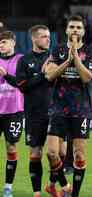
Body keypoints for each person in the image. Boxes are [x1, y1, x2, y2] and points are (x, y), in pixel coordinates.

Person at [44, 15, 92, 197]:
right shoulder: (57, 50)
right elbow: (50, 76)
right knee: (51, 153)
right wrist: (67, 61)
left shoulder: (90, 52)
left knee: (79, 155)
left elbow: (86, 77)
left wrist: (76, 58)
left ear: (83, 31)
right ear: (67, 30)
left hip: (81, 109)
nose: (75, 30)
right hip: (58, 107)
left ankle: (73, 194)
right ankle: (65, 186)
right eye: (72, 27)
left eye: (78, 28)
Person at [15, 25, 64, 197]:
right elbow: (22, 86)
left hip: (55, 112)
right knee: (36, 152)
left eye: (48, 36)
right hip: (34, 114)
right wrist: (42, 75)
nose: (48, 39)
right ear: (34, 39)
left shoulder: (54, 59)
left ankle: (52, 185)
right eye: (43, 36)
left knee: (58, 153)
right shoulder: (24, 60)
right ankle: (36, 192)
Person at [0, 30, 24, 197]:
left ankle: (8, 186)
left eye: (4, 42)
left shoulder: (21, 60)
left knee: (11, 146)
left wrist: (6, 75)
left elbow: (22, 83)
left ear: (13, 43)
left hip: (14, 111)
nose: (1, 45)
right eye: (0, 43)